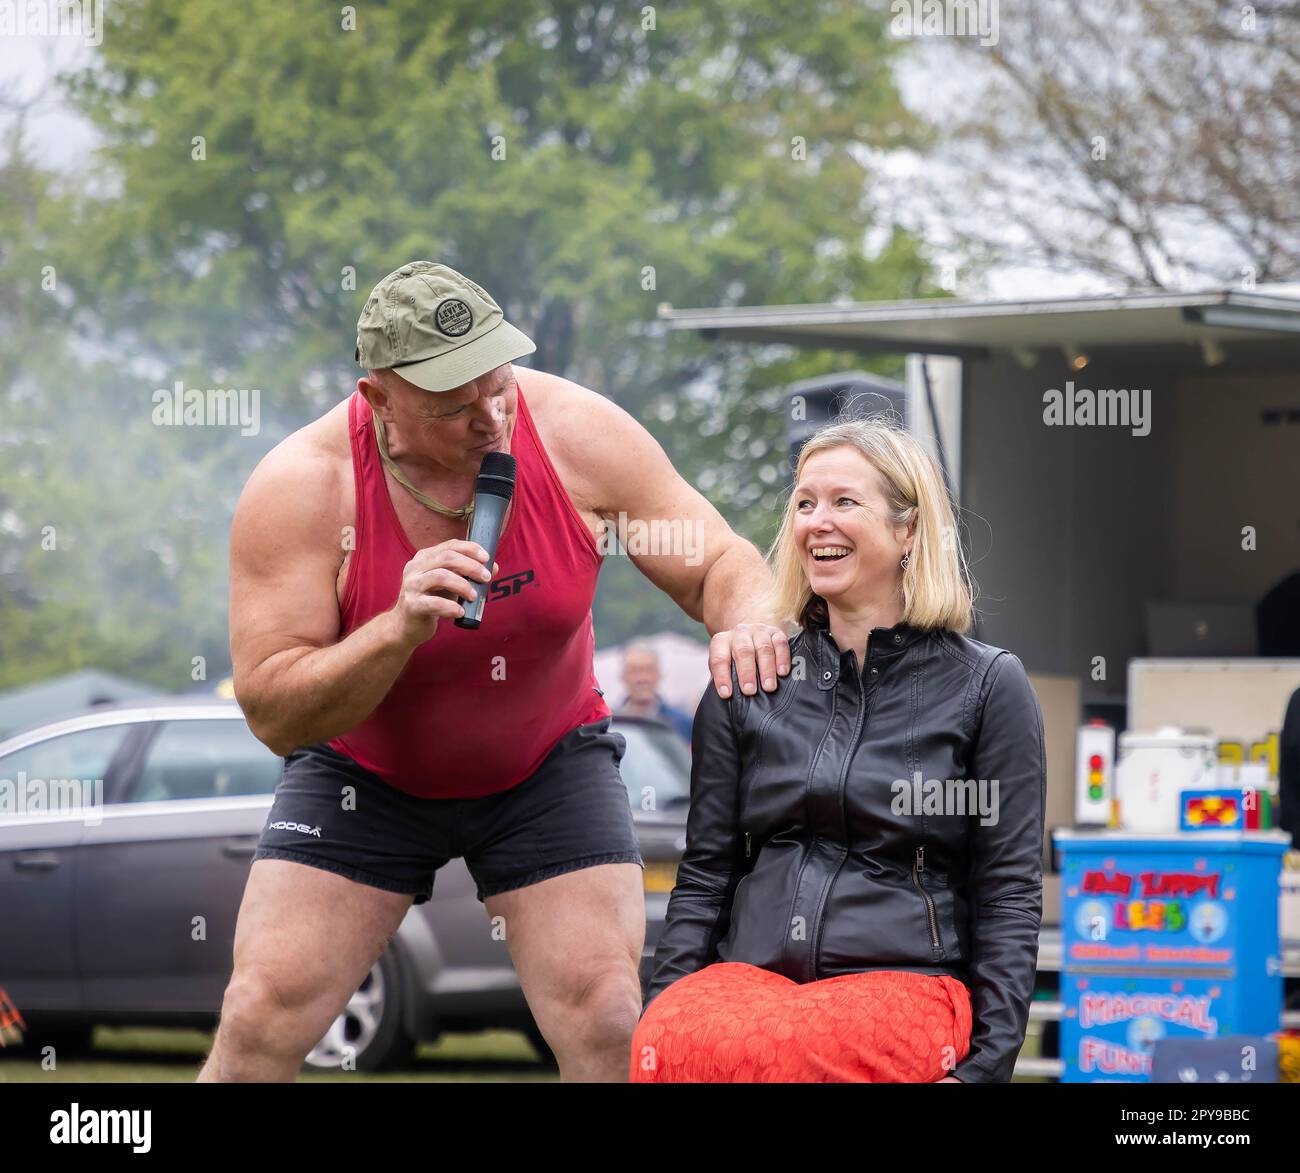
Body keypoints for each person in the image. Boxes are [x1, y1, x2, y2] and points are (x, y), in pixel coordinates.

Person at [200, 261, 790, 1083]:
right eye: (453, 405)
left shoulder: (576, 432)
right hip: (362, 776)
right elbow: (273, 710)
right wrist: (394, 631)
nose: (489, 417)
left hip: (545, 765)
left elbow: (718, 560)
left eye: (496, 383)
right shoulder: (304, 486)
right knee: (261, 1012)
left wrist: (753, 621)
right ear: (379, 400)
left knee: (610, 1017)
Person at [632, 417, 1046, 1083]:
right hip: (754, 982)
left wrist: (986, 1068)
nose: (816, 522)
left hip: (906, 980)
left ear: (909, 530)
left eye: (844, 502)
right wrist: (666, 1012)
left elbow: (1007, 889)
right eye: (804, 502)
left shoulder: (988, 686)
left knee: (802, 1051)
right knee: (680, 1039)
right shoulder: (747, 683)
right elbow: (708, 874)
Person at [614, 641, 694, 744]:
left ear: (659, 674)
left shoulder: (683, 723)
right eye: (634, 670)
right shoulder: (613, 725)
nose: (642, 678)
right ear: (622, 676)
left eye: (648, 670)